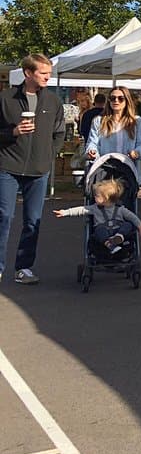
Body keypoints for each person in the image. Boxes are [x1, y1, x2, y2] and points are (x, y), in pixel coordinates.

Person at [0, 54, 64, 285]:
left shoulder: (53, 101)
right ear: (28, 73)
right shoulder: (6, 98)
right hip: (8, 166)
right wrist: (13, 132)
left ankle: (24, 267)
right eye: (43, 73)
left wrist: (49, 155)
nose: (48, 77)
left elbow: (59, 132)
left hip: (39, 170)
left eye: (49, 73)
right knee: (4, 216)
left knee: (32, 221)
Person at [85, 88, 141, 212]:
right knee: (102, 203)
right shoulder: (99, 120)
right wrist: (92, 151)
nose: (116, 101)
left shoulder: (137, 121)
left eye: (120, 98)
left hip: (128, 167)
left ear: (127, 101)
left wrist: (136, 152)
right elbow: (92, 143)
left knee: (125, 204)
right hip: (105, 168)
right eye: (112, 98)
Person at [53, 178, 141, 258]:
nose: (94, 197)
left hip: (118, 229)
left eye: (97, 196)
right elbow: (81, 209)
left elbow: (132, 217)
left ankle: (118, 237)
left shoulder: (120, 209)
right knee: (99, 230)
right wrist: (65, 212)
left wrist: (139, 225)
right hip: (103, 230)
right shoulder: (94, 208)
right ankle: (110, 244)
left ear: (106, 198)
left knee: (128, 224)